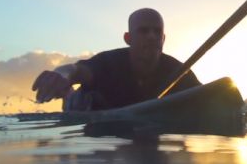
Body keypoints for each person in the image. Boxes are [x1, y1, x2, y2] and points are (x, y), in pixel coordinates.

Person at [32, 8, 201, 111]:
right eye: (143, 31)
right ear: (128, 38)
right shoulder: (109, 62)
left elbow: (209, 96)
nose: (151, 36)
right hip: (87, 106)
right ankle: (67, 95)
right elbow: (74, 70)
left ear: (163, 39)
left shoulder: (178, 71)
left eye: (157, 32)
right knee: (72, 100)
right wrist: (60, 75)